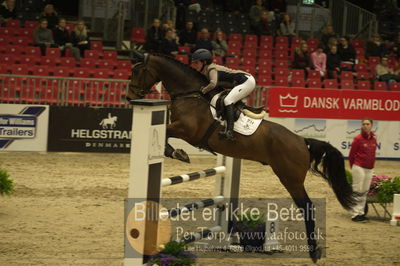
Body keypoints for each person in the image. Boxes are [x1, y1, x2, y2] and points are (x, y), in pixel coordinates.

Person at [191, 49, 256, 141]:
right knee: (227, 100)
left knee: (228, 100)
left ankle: (229, 131)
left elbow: (213, 83)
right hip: (243, 81)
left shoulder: (211, 68)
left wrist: (203, 91)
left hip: (246, 81)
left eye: (196, 63)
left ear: (204, 62)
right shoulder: (207, 70)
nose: (194, 65)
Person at [348, 118, 377, 222]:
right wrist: (354, 167)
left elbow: (373, 154)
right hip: (359, 167)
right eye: (363, 124)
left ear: (371, 125)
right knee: (357, 190)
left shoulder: (374, 139)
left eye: (367, 124)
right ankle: (355, 214)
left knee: (364, 191)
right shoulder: (358, 139)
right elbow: (351, 155)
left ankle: (361, 213)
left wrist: (372, 166)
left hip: (369, 168)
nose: (365, 125)